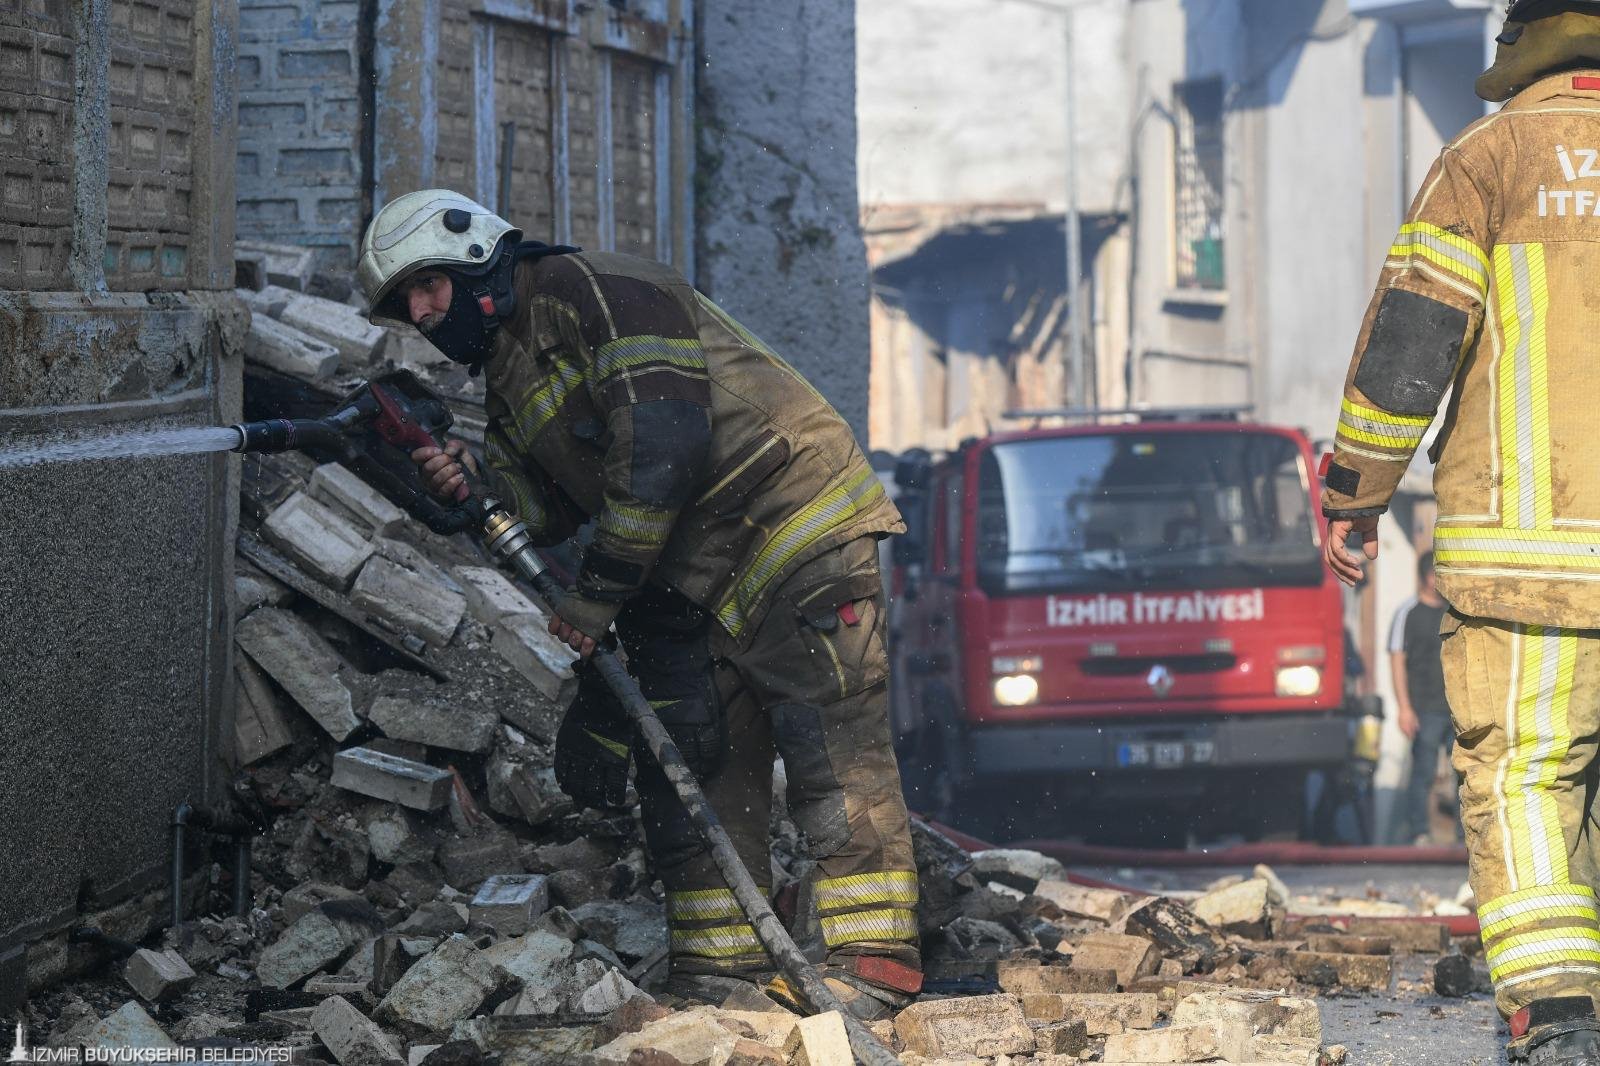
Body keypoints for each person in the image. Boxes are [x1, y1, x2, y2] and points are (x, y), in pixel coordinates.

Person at [354, 190, 921, 1019]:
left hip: (790, 531)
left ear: (478, 260)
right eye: (405, 304)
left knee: (828, 752)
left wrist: (594, 601)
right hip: (692, 577)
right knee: (697, 757)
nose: (420, 313)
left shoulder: (600, 290)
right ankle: (721, 977)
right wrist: (469, 482)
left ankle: (872, 967)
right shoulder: (509, 371)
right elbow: (546, 511)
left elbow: (664, 450)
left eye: (427, 286)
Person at [1321, 3, 1600, 1059]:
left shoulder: (1486, 160)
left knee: (1526, 773)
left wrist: (1355, 494)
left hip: (1531, 561)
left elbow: (1412, 340)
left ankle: (1557, 1014)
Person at [1385, 551, 1455, 847]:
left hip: (1456, 709)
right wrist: (1404, 708)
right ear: (1427, 577)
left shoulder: (1454, 612)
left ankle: (1465, 838)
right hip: (1424, 709)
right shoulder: (1408, 613)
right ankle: (1419, 833)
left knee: (1465, 774)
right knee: (1423, 772)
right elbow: (1396, 659)